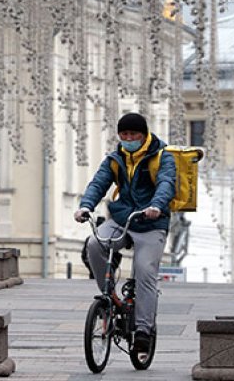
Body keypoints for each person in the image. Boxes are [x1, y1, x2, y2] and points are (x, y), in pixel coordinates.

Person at [74, 112, 176, 352]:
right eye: (124, 134)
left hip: (151, 221)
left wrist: (156, 206)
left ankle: (143, 329)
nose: (128, 138)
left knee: (144, 270)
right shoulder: (115, 158)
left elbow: (166, 183)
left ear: (144, 135)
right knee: (94, 244)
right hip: (122, 217)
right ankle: (109, 298)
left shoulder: (163, 156)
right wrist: (85, 206)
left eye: (134, 134)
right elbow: (99, 183)